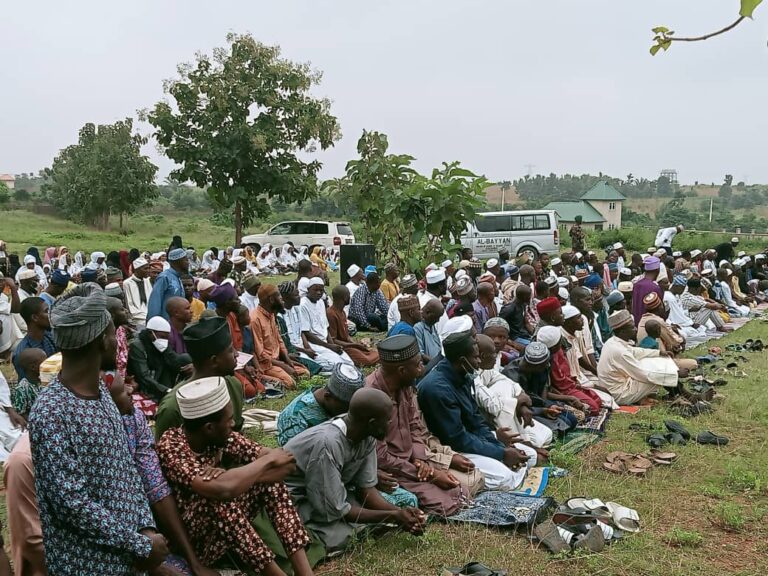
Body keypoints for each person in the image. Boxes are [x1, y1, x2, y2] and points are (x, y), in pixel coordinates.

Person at [28, 283, 171, 574]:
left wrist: (145, 528)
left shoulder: (103, 394)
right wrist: (140, 545)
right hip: (90, 565)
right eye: (112, 332)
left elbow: (125, 473)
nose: (117, 339)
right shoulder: (52, 411)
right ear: (101, 341)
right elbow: (72, 504)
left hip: (129, 555)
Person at [156, 377, 321, 575]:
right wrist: (257, 467)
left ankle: (305, 572)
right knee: (216, 499)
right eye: (229, 420)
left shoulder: (221, 437)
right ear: (209, 427)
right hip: (192, 542)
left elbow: (286, 464)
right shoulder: (172, 446)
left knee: (270, 482)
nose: (233, 424)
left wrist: (231, 477)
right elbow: (221, 489)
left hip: (224, 531)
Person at [283, 388, 426, 552]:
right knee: (342, 537)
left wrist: (402, 514)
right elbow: (335, 509)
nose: (390, 424)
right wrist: (393, 516)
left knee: (384, 514)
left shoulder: (367, 435)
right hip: (296, 498)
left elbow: (367, 489)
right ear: (372, 423)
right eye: (388, 420)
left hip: (332, 493)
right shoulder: (328, 444)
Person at [366, 335, 467, 515]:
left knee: (460, 492)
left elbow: (414, 426)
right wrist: (431, 474)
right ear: (402, 370)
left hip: (412, 461)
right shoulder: (372, 398)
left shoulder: (405, 386)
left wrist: (420, 459)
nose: (422, 369)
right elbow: (381, 457)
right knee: (448, 504)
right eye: (418, 364)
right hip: (387, 470)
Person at [418, 330, 530, 490]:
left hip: (470, 439)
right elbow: (457, 439)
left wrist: (501, 448)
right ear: (463, 360)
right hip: (451, 450)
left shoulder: (463, 375)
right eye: (476, 357)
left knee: (528, 456)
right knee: (504, 477)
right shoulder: (437, 389)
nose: (479, 361)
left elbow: (476, 422)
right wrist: (501, 454)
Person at [155, 316, 245, 440]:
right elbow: (164, 453)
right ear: (214, 361)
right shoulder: (172, 408)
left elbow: (236, 434)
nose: (237, 354)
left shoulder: (233, 385)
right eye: (230, 350)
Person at [472, 334, 551, 455]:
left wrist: (521, 402)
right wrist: (517, 402)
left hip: (510, 417)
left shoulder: (486, 369)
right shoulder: (472, 377)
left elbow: (508, 382)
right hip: (487, 427)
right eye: (493, 354)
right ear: (481, 357)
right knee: (502, 392)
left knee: (547, 434)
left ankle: (525, 442)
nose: (497, 357)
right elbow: (494, 406)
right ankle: (522, 444)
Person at [597, 310, 684, 405]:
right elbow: (642, 374)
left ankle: (678, 392)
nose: (635, 329)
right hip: (619, 394)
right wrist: (676, 373)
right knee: (656, 376)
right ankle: (684, 394)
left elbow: (634, 351)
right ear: (622, 332)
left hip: (618, 386)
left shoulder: (612, 342)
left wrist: (659, 353)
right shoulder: (620, 352)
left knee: (654, 364)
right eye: (632, 327)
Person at [251, 283, 310, 388]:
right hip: (266, 365)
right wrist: (282, 365)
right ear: (271, 300)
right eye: (278, 295)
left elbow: (279, 340)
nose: (281, 298)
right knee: (290, 383)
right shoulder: (255, 319)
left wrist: (288, 361)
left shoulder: (271, 315)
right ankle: (265, 379)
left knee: (305, 373)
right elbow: (260, 353)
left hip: (278, 361)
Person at [536, 326, 602, 416]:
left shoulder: (558, 351)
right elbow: (548, 389)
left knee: (597, 400)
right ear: (554, 346)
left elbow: (566, 376)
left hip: (569, 386)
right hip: (560, 392)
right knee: (593, 408)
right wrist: (567, 398)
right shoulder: (545, 361)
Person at [128, 315, 192, 402]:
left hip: (158, 377)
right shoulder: (137, 346)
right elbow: (143, 376)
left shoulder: (162, 344)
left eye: (166, 338)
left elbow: (173, 359)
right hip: (143, 382)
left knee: (185, 358)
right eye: (162, 337)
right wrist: (166, 390)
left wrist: (192, 366)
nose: (164, 340)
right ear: (151, 333)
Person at [300, 279, 354, 370]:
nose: (318, 292)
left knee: (349, 363)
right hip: (315, 344)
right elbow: (307, 334)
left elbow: (326, 327)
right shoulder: (303, 305)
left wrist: (332, 345)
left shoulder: (321, 302)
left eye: (321, 290)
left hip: (326, 343)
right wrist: (329, 346)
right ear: (308, 289)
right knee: (337, 365)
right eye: (315, 290)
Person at [637, 292, 698, 371]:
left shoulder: (642, 320)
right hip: (658, 363)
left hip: (645, 361)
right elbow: (675, 341)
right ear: (660, 307)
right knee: (693, 363)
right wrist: (682, 339)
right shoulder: (658, 321)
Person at [275, 281, 323, 376]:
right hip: (293, 351)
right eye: (296, 295)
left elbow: (301, 332)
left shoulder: (297, 309)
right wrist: (305, 351)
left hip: (303, 349)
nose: (299, 297)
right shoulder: (279, 316)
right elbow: (285, 343)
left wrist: (307, 347)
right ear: (286, 297)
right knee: (320, 365)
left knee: (324, 360)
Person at [326, 285, 380, 368]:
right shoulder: (331, 314)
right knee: (367, 361)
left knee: (373, 352)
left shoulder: (342, 312)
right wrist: (352, 345)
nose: (350, 297)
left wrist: (355, 344)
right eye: (348, 295)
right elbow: (333, 340)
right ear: (344, 297)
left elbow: (346, 336)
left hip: (348, 346)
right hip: (342, 348)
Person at [12, 297, 56, 381]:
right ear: (35, 318)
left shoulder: (50, 337)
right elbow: (29, 386)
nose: (51, 314)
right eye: (46, 311)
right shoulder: (22, 353)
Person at [147, 248, 189, 321]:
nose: (188, 263)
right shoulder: (164, 277)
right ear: (178, 262)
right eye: (185, 260)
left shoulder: (178, 277)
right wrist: (154, 323)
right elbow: (155, 301)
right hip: (164, 324)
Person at [12, 347, 47, 421]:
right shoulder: (22, 389)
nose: (48, 364)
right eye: (45, 362)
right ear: (33, 367)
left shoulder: (45, 380)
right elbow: (20, 412)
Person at [631, 257, 664, 325]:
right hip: (651, 325)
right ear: (657, 270)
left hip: (637, 323)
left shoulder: (636, 285)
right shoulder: (655, 287)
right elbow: (660, 310)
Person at [122, 256, 153, 326]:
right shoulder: (127, 283)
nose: (148, 271)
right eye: (145, 268)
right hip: (136, 318)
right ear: (137, 269)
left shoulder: (147, 281)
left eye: (148, 268)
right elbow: (130, 306)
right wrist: (146, 317)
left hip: (149, 315)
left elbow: (151, 300)